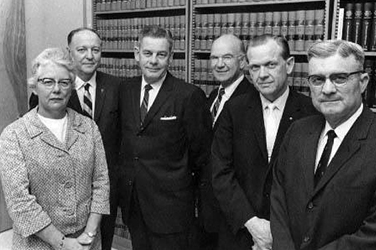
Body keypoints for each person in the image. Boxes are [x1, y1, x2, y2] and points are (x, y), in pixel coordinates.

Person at [270, 40, 376, 250]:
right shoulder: (298, 132)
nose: (327, 89)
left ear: (363, 81)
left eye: (339, 78)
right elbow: (279, 200)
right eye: (318, 80)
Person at [212, 35, 317, 250]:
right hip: (240, 231)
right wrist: (252, 224)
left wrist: (276, 231)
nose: (262, 75)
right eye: (255, 67)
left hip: (291, 236)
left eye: (270, 65)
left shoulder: (312, 113)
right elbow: (220, 172)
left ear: (289, 65)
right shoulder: (234, 110)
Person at [0, 48, 110, 250]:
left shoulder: (88, 128)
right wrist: (62, 242)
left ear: (71, 87)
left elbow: (101, 182)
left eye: (64, 82)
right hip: (37, 244)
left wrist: (90, 233)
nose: (56, 89)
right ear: (35, 87)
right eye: (48, 82)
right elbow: (20, 203)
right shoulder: (14, 135)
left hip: (87, 242)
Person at [118, 25, 212, 250]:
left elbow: (202, 157)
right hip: (134, 203)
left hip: (172, 209)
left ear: (171, 57)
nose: (153, 61)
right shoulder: (125, 90)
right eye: (148, 53)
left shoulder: (189, 96)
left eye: (161, 55)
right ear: (136, 53)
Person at [29, 28, 121, 250]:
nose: (90, 56)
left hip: (104, 189)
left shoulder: (119, 87)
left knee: (100, 244)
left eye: (95, 50)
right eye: (82, 49)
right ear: (69, 52)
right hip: (59, 194)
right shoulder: (49, 92)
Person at [198, 34, 256, 250]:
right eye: (214, 58)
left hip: (234, 214)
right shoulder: (214, 95)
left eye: (227, 57)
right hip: (208, 210)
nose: (219, 64)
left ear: (242, 62)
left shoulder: (251, 100)